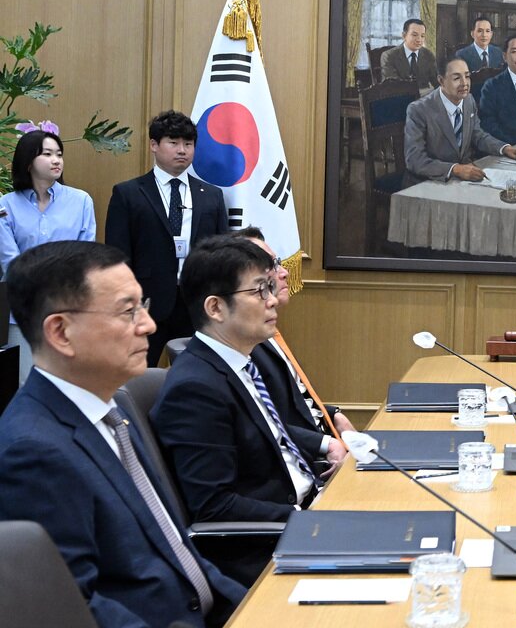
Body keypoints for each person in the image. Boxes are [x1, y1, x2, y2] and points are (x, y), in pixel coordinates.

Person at [0, 241, 245, 628]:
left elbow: (178, 554)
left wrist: (257, 611)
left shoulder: (111, 412)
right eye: (127, 311)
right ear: (60, 332)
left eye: (143, 305)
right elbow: (74, 614)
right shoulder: (34, 452)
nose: (149, 325)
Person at [151, 237, 346, 582]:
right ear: (215, 308)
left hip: (304, 512)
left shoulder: (242, 364)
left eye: (270, 287)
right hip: (265, 550)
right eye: (259, 292)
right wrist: (310, 518)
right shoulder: (196, 388)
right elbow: (214, 506)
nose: (273, 301)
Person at [106, 111, 229, 366]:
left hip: (196, 303)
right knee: (137, 371)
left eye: (188, 144)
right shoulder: (128, 194)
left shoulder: (212, 196)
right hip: (147, 303)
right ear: (154, 145)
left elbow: (222, 253)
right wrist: (129, 302)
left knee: (197, 374)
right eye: (173, 143)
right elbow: (117, 255)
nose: (182, 150)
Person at [232, 227, 354, 438]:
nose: (284, 272)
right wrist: (325, 445)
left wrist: (333, 415)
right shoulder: (245, 344)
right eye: (270, 265)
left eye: (277, 262)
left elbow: (293, 401)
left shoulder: (268, 334)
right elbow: (266, 424)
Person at [1, 128, 97, 383]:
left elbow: (85, 257)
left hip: (67, 308)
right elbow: (11, 264)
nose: (56, 160)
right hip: (22, 311)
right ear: (28, 161)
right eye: (47, 154)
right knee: (21, 384)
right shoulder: (6, 206)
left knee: (67, 384)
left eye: (59, 154)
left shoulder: (81, 201)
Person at [403, 56, 516, 186]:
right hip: (428, 182)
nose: (465, 83)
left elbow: (478, 135)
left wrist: (504, 148)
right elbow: (414, 160)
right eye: (457, 78)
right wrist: (456, 169)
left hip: (462, 178)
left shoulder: (468, 100)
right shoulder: (418, 110)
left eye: (467, 76)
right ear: (441, 81)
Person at [380, 18, 437, 89]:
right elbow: (392, 86)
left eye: (422, 36)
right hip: (399, 97)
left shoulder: (428, 55)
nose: (419, 40)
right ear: (404, 36)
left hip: (424, 97)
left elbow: (437, 82)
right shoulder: (389, 56)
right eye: (414, 35)